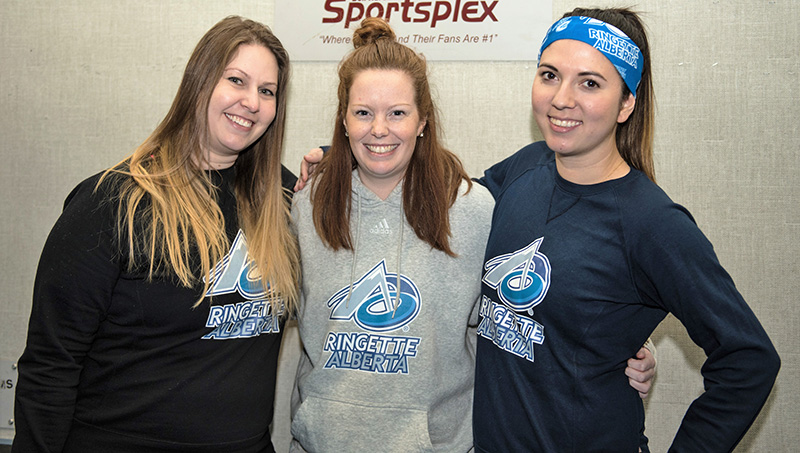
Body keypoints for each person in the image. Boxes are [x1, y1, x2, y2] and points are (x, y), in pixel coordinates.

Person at [289, 17, 655, 452]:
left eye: (399, 113)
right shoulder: (306, 205)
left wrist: (629, 342)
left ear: (423, 120)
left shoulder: (473, 209)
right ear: (343, 120)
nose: (380, 129)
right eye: (363, 113)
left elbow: (534, 302)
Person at [471, 7, 780, 452]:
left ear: (626, 103)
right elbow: (438, 202)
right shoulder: (524, 168)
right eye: (550, 75)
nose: (562, 98)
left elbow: (749, 359)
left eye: (590, 83)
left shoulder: (652, 222)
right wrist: (343, 154)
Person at [13, 16, 299, 453]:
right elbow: (51, 365)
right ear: (198, 82)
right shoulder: (112, 202)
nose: (251, 102)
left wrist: (340, 166)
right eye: (236, 80)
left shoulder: (282, 199)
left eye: (266, 91)